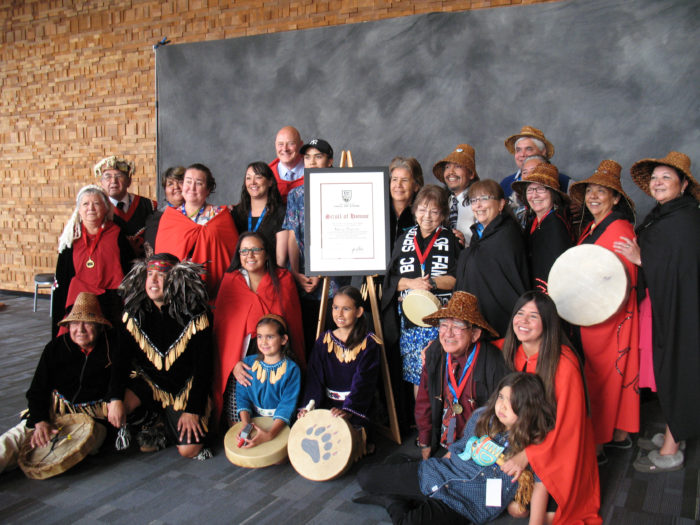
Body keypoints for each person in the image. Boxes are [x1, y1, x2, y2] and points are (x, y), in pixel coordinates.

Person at [353, 372, 556, 525]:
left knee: (408, 522)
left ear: (528, 409)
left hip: (465, 503)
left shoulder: (534, 445)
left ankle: (392, 499)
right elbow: (460, 447)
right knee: (365, 477)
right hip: (439, 474)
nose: (502, 406)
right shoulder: (483, 416)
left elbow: (540, 486)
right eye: (501, 397)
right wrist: (436, 464)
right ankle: (407, 479)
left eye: (512, 403)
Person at [616, 151, 700, 472]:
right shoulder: (666, 213)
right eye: (655, 178)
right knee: (665, 367)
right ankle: (672, 430)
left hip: (680, 307)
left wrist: (643, 260)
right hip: (661, 301)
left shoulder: (686, 219)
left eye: (666, 177)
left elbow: (684, 269)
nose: (658, 182)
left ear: (682, 185)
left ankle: (672, 446)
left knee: (675, 367)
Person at [500, 291, 602, 524]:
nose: (523, 321)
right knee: (517, 510)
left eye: (533, 316)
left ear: (548, 323)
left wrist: (527, 455)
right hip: (529, 439)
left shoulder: (564, 363)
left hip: (559, 449)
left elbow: (569, 428)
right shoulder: (515, 352)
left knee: (555, 515)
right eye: (520, 313)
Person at [0, 293, 124, 474]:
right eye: (75, 323)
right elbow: (37, 390)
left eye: (87, 323)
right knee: (11, 442)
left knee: (73, 446)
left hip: (92, 419)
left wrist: (115, 398)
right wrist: (40, 421)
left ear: (98, 326)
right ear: (68, 326)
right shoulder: (55, 348)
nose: (80, 329)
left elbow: (119, 379)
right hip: (54, 410)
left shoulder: (112, 348)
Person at [568, 160, 639, 459]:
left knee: (603, 378)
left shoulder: (619, 228)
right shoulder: (594, 225)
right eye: (590, 191)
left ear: (616, 198)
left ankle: (598, 443)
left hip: (609, 316)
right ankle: (617, 435)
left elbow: (627, 278)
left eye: (602, 191)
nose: (594, 196)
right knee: (603, 378)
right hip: (593, 313)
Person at [118, 253, 213, 459]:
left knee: (189, 450)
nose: (153, 281)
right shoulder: (135, 312)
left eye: (160, 275)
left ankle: (170, 425)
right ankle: (154, 422)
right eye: (150, 274)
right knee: (120, 407)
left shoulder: (195, 313)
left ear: (175, 278)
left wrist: (193, 410)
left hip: (184, 391)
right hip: (151, 385)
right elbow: (120, 360)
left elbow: (204, 367)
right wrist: (113, 398)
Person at [213, 232, 305, 427]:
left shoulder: (284, 279)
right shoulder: (231, 281)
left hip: (279, 358)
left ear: (266, 253)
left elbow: (293, 327)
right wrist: (233, 365)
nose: (250, 255)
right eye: (244, 251)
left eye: (256, 250)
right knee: (239, 424)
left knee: (277, 421)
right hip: (241, 361)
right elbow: (223, 334)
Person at [382, 185, 460, 398]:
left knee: (444, 373)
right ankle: (423, 427)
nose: (427, 216)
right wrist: (410, 283)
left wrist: (431, 283)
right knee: (418, 376)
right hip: (411, 321)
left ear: (443, 215)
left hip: (442, 320)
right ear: (414, 211)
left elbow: (458, 279)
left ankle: (444, 428)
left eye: (434, 211)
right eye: (423, 210)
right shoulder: (403, 240)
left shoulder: (451, 239)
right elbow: (390, 282)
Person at [415, 291, 508, 458]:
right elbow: (424, 399)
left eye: (457, 326)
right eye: (444, 325)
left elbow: (501, 418)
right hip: (443, 443)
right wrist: (425, 442)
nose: (448, 333)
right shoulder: (435, 352)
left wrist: (467, 451)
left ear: (475, 334)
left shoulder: (493, 362)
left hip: (480, 448)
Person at [282, 138, 340, 353]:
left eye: (318, 156)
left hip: (333, 280)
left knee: (331, 340)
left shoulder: (342, 189)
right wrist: (295, 272)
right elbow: (292, 235)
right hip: (304, 281)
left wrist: (321, 269)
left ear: (330, 160)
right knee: (306, 339)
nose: (312, 162)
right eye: (307, 157)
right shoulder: (296, 195)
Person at [52, 184, 133, 337]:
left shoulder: (117, 234)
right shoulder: (70, 239)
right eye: (85, 204)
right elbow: (62, 281)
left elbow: (129, 271)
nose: (91, 208)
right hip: (78, 303)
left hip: (110, 303)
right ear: (79, 209)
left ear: (105, 208)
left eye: (96, 203)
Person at [299, 286, 380, 432]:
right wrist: (308, 407)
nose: (339, 314)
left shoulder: (368, 343)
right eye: (335, 308)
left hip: (357, 408)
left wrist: (349, 409)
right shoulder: (324, 340)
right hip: (328, 406)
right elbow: (314, 379)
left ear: (359, 312)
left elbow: (364, 381)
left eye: (346, 309)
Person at [454, 180, 529, 337]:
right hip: (479, 321)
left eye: (484, 198)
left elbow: (501, 284)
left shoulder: (507, 235)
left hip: (500, 324)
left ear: (501, 204)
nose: (478, 205)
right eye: (474, 200)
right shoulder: (480, 234)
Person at [155, 163, 239, 300]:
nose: (192, 188)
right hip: (175, 292)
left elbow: (231, 255)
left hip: (212, 291)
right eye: (188, 182)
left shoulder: (220, 216)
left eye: (199, 183)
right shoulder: (170, 217)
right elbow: (162, 255)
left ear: (208, 189)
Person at [236, 314, 301, 448]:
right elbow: (243, 397)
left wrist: (270, 434)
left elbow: (287, 405)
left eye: (270, 337)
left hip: (280, 424)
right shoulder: (248, 363)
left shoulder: (291, 369)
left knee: (278, 460)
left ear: (283, 339)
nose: (263, 342)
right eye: (259, 336)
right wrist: (246, 426)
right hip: (254, 420)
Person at [511, 162, 572, 292]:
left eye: (541, 189)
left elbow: (556, 271)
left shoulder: (556, 225)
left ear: (553, 194)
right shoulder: (533, 222)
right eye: (530, 190)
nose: (535, 195)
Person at [501, 126, 572, 228]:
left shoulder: (565, 182)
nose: (522, 154)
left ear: (543, 152)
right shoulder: (506, 183)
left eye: (529, 149)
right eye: (518, 150)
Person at [94, 155, 156, 257]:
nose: (113, 181)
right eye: (108, 177)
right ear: (101, 183)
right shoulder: (97, 211)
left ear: (129, 181)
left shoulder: (150, 206)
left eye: (119, 176)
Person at [231, 161, 286, 263]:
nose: (252, 182)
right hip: (241, 272)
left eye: (258, 177)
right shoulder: (235, 213)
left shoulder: (281, 213)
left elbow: (281, 260)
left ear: (270, 182)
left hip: (270, 272)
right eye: (248, 178)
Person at [432, 144, 478, 246]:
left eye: (458, 166)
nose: (451, 172)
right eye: (447, 167)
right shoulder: (443, 202)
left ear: (471, 174)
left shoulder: (479, 202)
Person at [143, 166, 185, 253]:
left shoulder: (201, 214)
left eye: (181, 182)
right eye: (170, 184)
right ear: (165, 191)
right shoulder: (157, 219)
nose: (176, 187)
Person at [388, 156, 423, 248]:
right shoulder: (378, 209)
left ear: (416, 186)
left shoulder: (424, 213)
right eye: (394, 179)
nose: (398, 185)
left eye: (404, 180)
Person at [269, 125, 304, 202]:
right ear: (275, 145)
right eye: (280, 144)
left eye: (291, 143)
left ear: (300, 145)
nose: (285, 149)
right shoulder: (266, 175)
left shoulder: (315, 172)